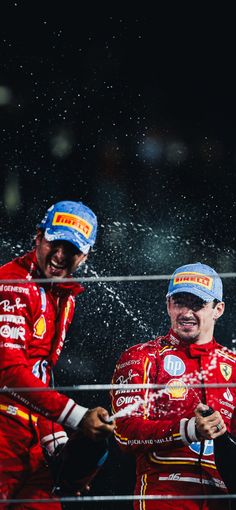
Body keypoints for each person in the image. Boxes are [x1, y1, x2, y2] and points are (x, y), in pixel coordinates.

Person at [0, 200, 115, 509]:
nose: (60, 255)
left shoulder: (64, 296)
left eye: (72, 249)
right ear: (38, 237)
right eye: (54, 242)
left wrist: (55, 436)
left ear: (86, 255)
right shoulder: (11, 285)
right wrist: (77, 417)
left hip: (32, 437)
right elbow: (8, 372)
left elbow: (39, 373)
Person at [111, 262, 236, 510]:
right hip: (164, 495)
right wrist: (189, 429)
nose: (186, 313)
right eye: (180, 302)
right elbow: (123, 432)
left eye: (198, 304)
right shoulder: (142, 357)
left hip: (223, 499)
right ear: (168, 304)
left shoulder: (233, 365)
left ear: (218, 309)